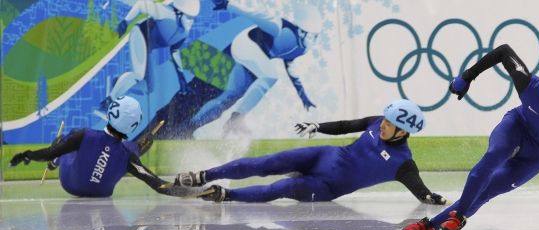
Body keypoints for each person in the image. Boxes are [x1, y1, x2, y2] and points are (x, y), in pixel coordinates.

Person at [401, 44, 539, 230]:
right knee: (493, 157)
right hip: (517, 127)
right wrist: (467, 77)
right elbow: (504, 51)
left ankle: (430, 227)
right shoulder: (529, 86)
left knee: (488, 191)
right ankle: (458, 216)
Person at [175, 99, 447, 205]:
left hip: (327, 185)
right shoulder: (376, 121)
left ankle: (226, 195)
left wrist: (431, 198)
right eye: (385, 121)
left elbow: (421, 191)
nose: (384, 126)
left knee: (280, 187)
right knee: (266, 163)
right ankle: (203, 175)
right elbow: (345, 126)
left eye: (391, 125)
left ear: (404, 132)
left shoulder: (403, 164)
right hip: (324, 156)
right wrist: (317, 126)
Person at [9, 96, 213, 199]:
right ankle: (143, 143)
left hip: (69, 183)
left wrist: (27, 154)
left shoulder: (83, 134)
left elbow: (48, 152)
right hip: (101, 191)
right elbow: (159, 185)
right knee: (130, 153)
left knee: (66, 149)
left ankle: (56, 163)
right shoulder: (128, 155)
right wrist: (193, 192)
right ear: (133, 126)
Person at [190, 0, 320, 136]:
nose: (312, 41)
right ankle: (238, 117)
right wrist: (227, 5)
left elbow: (290, 67)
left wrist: (303, 96)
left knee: (229, 97)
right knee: (271, 75)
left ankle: (191, 127)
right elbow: (255, 15)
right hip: (245, 45)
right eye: (310, 35)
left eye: (315, 37)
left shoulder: (301, 49)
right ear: (300, 31)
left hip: (256, 58)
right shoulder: (277, 26)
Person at [109, 0, 200, 99]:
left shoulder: (184, 33)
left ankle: (116, 83)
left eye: (193, 18)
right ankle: (110, 100)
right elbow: (141, 4)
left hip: (148, 47)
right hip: (140, 36)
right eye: (188, 17)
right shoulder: (166, 13)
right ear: (179, 13)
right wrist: (125, 22)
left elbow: (174, 52)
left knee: (148, 88)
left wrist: (182, 80)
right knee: (139, 76)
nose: (191, 22)